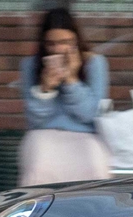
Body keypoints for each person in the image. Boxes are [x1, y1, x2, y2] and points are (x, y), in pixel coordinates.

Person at [16, 9, 114, 185]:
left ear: (76, 40)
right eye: (51, 44)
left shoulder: (95, 63)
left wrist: (71, 79)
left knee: (95, 170)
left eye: (65, 42)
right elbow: (35, 120)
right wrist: (45, 89)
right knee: (38, 167)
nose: (58, 49)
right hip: (44, 135)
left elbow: (91, 114)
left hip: (85, 136)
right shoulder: (30, 65)